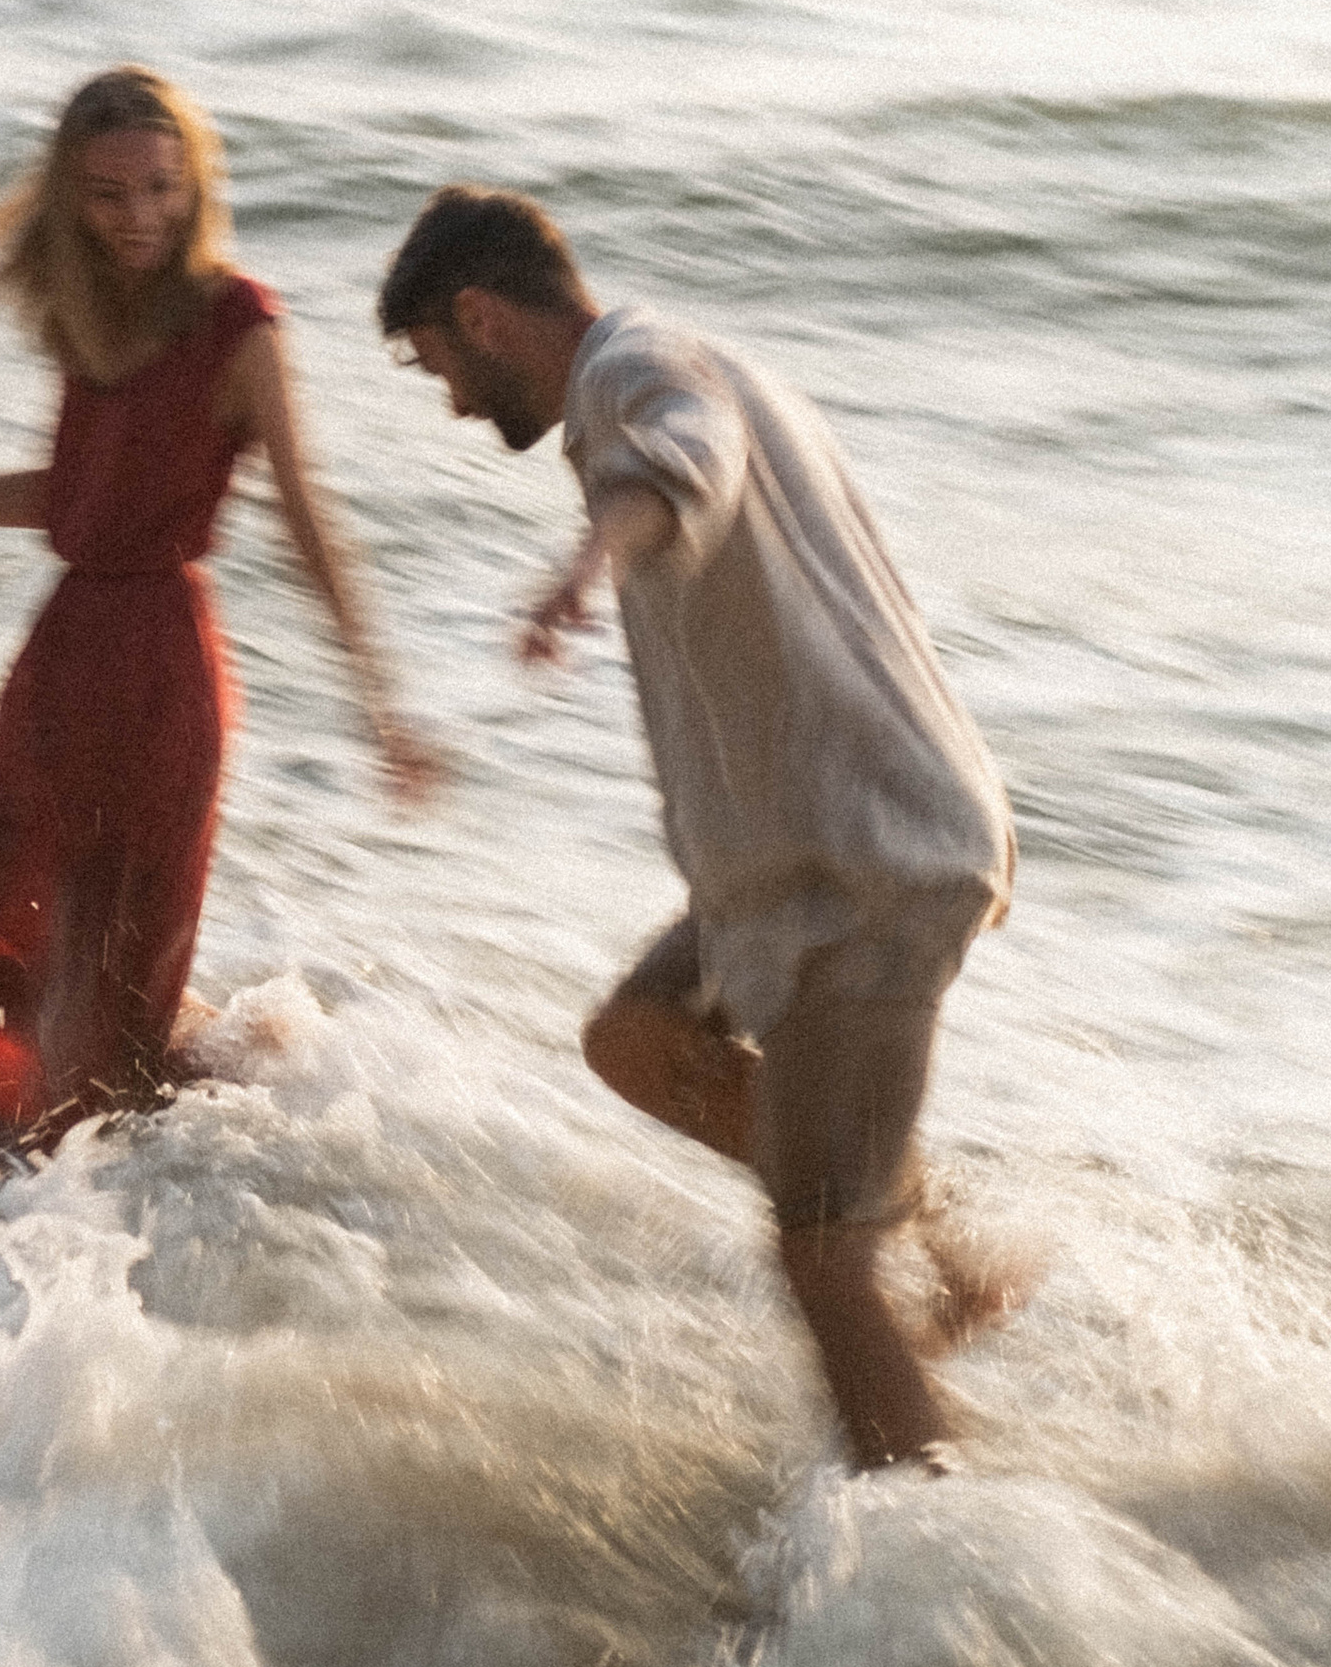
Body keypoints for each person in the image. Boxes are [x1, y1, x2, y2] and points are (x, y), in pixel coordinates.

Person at [378, 185, 1020, 1473]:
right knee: (639, 1038)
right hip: (791, 865)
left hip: (866, 864)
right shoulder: (679, 355)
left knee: (815, 1253)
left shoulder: (635, 369)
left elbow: (687, 459)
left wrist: (584, 562)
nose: (446, 400)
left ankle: (926, 1540)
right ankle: (942, 1225)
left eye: (435, 364)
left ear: (478, 315)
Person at [0, 67, 437, 1143]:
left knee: (106, 995)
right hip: (61, 663)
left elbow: (306, 517)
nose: (140, 216)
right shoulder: (91, 318)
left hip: (157, 678)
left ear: (195, 185)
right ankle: (218, 1077)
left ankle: (152, 1167)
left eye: (160, 188)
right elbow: (67, 501)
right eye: (109, 193)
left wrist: (380, 705)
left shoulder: (238, 321)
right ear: (69, 200)